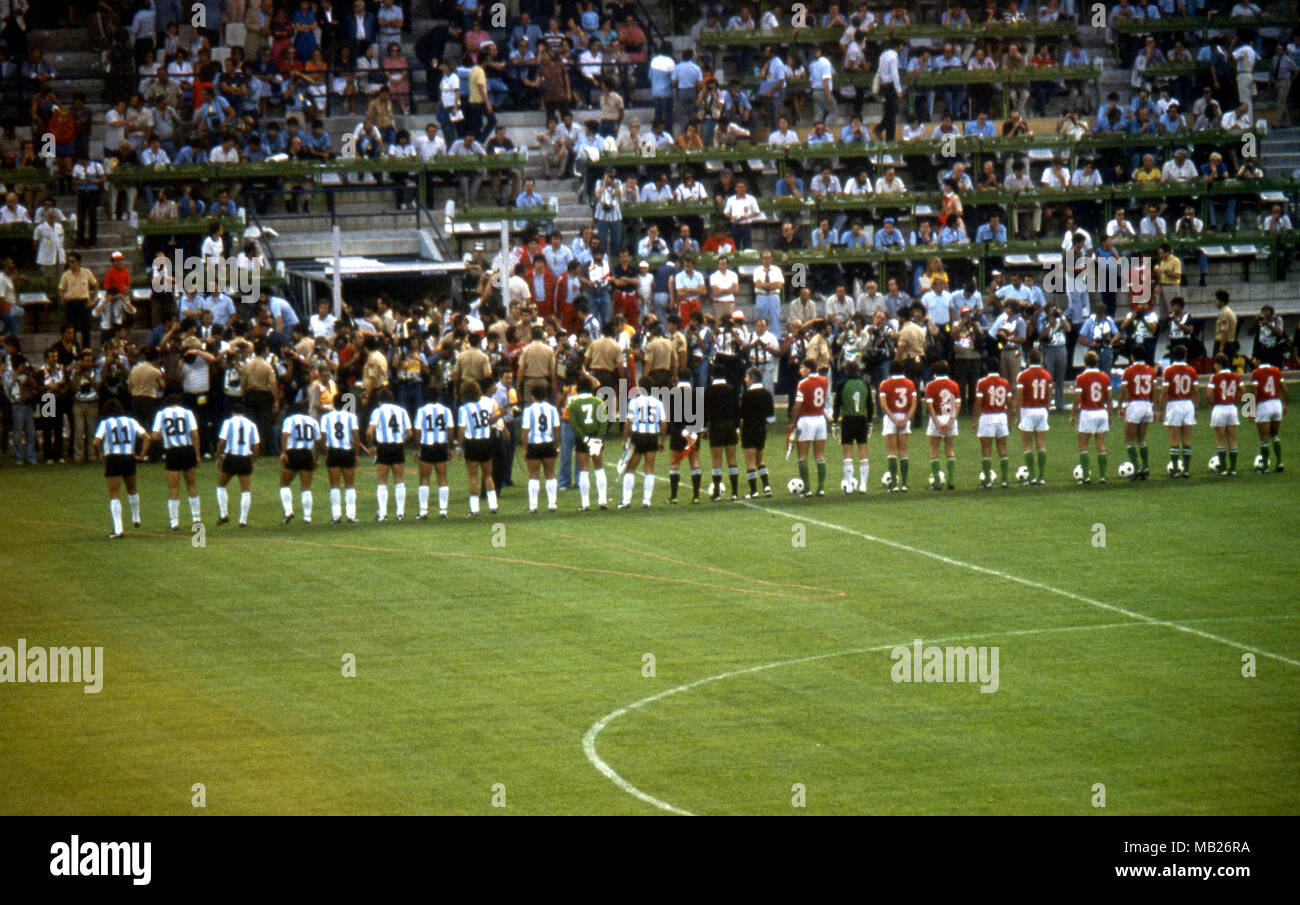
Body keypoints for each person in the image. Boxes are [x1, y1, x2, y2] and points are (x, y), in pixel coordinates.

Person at [93, 398, 151, 539]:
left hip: (113, 458)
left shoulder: (105, 423)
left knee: (114, 493)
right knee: (132, 488)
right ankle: (136, 517)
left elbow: (95, 442)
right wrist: (141, 455)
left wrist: (100, 455)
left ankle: (118, 529)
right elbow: (147, 438)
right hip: (128, 457)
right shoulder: (131, 421)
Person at [150, 394, 201, 529]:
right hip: (187, 449)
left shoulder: (161, 414)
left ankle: (174, 522)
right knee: (191, 485)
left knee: (173, 487)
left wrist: (160, 437)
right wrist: (197, 454)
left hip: (172, 451)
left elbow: (155, 435)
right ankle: (196, 519)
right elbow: (194, 434)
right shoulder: (187, 413)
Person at [619, 376, 666, 508]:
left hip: (638, 436)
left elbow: (628, 422)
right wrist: (662, 440)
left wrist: (625, 440)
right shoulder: (658, 402)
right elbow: (664, 423)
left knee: (630, 468)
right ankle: (646, 501)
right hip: (652, 436)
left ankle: (626, 501)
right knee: (649, 467)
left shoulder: (634, 402)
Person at [367, 388, 413, 521]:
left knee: (382, 481)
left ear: (379, 400)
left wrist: (371, 446)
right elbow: (410, 434)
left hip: (384, 446)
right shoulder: (402, 411)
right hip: (397, 446)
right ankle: (400, 513)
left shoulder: (378, 411)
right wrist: (402, 442)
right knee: (399, 480)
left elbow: (370, 432)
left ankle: (383, 514)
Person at [457, 379, 501, 516]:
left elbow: (462, 429)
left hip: (473, 443)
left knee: (473, 477)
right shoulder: (485, 406)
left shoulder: (463, 409)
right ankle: (493, 505)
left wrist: (458, 447)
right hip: (486, 441)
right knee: (488, 475)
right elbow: (491, 419)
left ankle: (474, 508)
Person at [321, 401, 369, 523]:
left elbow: (323, 437)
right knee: (349, 484)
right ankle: (351, 515)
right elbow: (356, 436)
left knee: (335, 485)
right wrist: (357, 454)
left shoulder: (326, 417)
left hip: (333, 451)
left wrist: (325, 453)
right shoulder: (351, 417)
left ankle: (336, 516)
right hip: (347, 451)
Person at [567, 374, 609, 510]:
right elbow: (604, 423)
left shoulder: (573, 404)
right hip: (596, 437)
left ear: (578, 389)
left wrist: (585, 439)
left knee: (584, 469)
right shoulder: (599, 402)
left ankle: (585, 503)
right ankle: (602, 500)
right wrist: (598, 439)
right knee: (599, 468)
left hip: (583, 439)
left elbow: (574, 425)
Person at [789, 359, 830, 497]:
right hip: (820, 419)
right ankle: (821, 488)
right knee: (819, 454)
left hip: (806, 419)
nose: (800, 371)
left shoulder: (803, 383)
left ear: (807, 369)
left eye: (802, 368)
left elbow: (798, 404)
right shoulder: (824, 381)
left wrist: (792, 421)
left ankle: (807, 489)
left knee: (803, 455)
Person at [215, 403, 259, 526]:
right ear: (244, 413)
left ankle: (224, 514)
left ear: (232, 412)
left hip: (231, 457)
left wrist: (218, 457)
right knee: (245, 490)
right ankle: (243, 520)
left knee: (221, 485)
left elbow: (221, 442)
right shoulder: (251, 424)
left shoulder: (228, 422)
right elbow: (256, 446)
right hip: (245, 458)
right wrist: (253, 461)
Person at [1070, 351, 1111, 485]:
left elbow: (1077, 399)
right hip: (1101, 412)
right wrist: (1109, 415)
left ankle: (1086, 476)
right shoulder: (1105, 377)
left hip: (1087, 412)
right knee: (1101, 445)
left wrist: (1072, 415)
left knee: (1083, 445)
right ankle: (1103, 476)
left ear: (1085, 362)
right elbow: (1109, 399)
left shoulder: (1081, 378)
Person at [1158, 345, 1198, 477]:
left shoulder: (1168, 371)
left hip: (1173, 404)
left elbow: (1164, 392)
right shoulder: (1191, 370)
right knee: (1186, 439)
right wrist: (1196, 408)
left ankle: (1175, 470)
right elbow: (1196, 392)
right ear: (1185, 355)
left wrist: (1160, 409)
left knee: (1174, 440)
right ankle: (1186, 470)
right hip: (1187, 404)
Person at [521, 384, 562, 512]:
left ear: (533, 396)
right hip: (548, 444)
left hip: (534, 445)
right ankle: (552, 504)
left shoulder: (528, 410)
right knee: (550, 473)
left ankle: (533, 505)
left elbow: (525, 432)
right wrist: (557, 446)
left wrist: (525, 449)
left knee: (534, 475)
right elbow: (556, 429)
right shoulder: (552, 409)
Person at [878, 360, 917, 491]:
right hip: (904, 416)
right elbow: (914, 404)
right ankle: (904, 484)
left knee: (892, 452)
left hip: (891, 418)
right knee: (904, 451)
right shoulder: (910, 384)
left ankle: (894, 484)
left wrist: (894, 419)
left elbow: (883, 405)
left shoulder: (885, 384)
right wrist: (906, 419)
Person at [414, 395, 455, 519]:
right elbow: (451, 430)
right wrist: (451, 447)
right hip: (441, 446)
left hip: (427, 446)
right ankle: (443, 510)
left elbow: (417, 430)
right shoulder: (446, 410)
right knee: (442, 477)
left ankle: (423, 511)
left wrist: (416, 448)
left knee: (424, 478)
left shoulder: (421, 411)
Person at [973, 363, 1012, 488]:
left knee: (986, 450)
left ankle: (988, 481)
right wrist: (1009, 420)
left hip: (987, 417)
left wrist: (974, 420)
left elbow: (979, 403)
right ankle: (1004, 480)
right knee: (1002, 449)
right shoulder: (1005, 383)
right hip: (1001, 417)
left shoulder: (982, 382)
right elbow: (1009, 403)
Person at [278, 402, 319, 523]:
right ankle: (307, 517)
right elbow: (317, 441)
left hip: (293, 453)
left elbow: (285, 436)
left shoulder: (289, 420)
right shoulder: (313, 421)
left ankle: (288, 511)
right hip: (307, 454)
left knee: (284, 484)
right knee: (306, 487)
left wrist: (283, 453)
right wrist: (315, 458)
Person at [704, 365, 740, 501]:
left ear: (712, 376)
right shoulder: (732, 390)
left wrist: (703, 428)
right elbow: (737, 410)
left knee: (717, 461)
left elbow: (705, 411)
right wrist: (737, 428)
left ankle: (717, 492)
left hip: (716, 427)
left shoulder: (709, 390)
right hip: (730, 426)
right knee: (732, 458)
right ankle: (735, 492)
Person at [1119, 347, 1156, 480]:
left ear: (1132, 357)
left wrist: (1120, 407)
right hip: (1147, 405)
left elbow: (1123, 390)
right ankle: (1145, 466)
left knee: (1129, 440)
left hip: (1134, 404)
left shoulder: (1128, 371)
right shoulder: (1151, 371)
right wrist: (1155, 408)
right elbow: (1154, 391)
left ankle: (1136, 468)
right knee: (1141, 440)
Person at [1015, 349, 1051, 485]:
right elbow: (1048, 394)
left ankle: (1033, 476)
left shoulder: (1023, 375)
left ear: (1029, 360)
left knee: (1027, 445)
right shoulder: (1046, 375)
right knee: (1041, 444)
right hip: (1041, 410)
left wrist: (1017, 415)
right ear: (1040, 360)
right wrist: (1046, 409)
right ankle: (1042, 477)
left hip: (1028, 410)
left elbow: (1019, 397)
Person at [924, 361, 961, 490]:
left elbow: (930, 406)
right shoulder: (954, 385)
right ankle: (951, 481)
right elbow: (957, 405)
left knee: (934, 450)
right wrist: (950, 422)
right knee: (949, 450)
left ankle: (937, 482)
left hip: (937, 418)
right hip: (950, 416)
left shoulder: (930, 385)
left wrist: (938, 423)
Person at [836, 361, 872, 494]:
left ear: (846, 371)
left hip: (848, 420)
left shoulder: (841, 385)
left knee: (847, 452)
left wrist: (835, 421)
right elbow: (870, 405)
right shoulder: (865, 384)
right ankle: (863, 485)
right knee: (863, 451)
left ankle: (850, 486)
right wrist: (869, 422)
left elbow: (837, 404)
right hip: (862, 420)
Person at [1248, 359, 1287, 472]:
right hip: (1276, 404)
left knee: (1264, 438)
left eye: (1255, 359)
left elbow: (1254, 393)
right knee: (1274, 435)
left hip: (1264, 405)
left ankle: (1265, 466)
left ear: (1259, 360)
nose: (1253, 361)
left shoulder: (1256, 373)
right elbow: (1285, 389)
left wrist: (1250, 410)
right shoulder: (1277, 371)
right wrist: (1284, 405)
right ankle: (1280, 462)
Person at [1206, 355, 1241, 475]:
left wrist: (1212, 406)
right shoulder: (1236, 376)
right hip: (1232, 408)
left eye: (1215, 364)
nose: (1214, 366)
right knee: (1232, 439)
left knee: (1220, 440)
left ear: (1219, 365)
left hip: (1219, 408)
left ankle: (1224, 469)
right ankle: (1234, 468)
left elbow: (1208, 394)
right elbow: (1244, 392)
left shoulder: (1214, 377)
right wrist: (1241, 403)